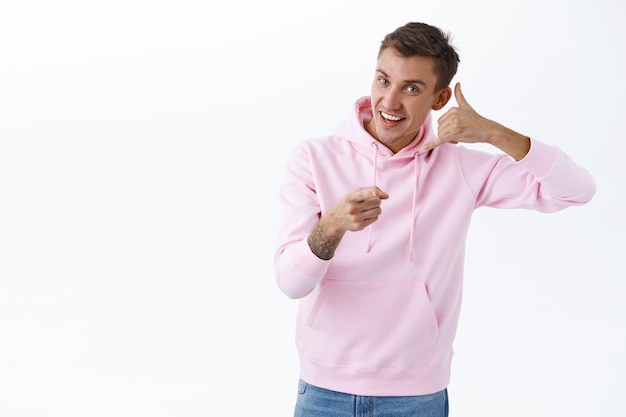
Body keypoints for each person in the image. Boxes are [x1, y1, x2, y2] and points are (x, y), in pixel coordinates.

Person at [274, 21, 596, 417]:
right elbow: (290, 283)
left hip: (417, 396)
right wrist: (331, 226)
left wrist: (492, 133)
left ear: (440, 98)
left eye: (411, 88)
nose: (389, 103)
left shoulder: (460, 168)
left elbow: (577, 189)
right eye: (383, 80)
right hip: (324, 391)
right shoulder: (314, 158)